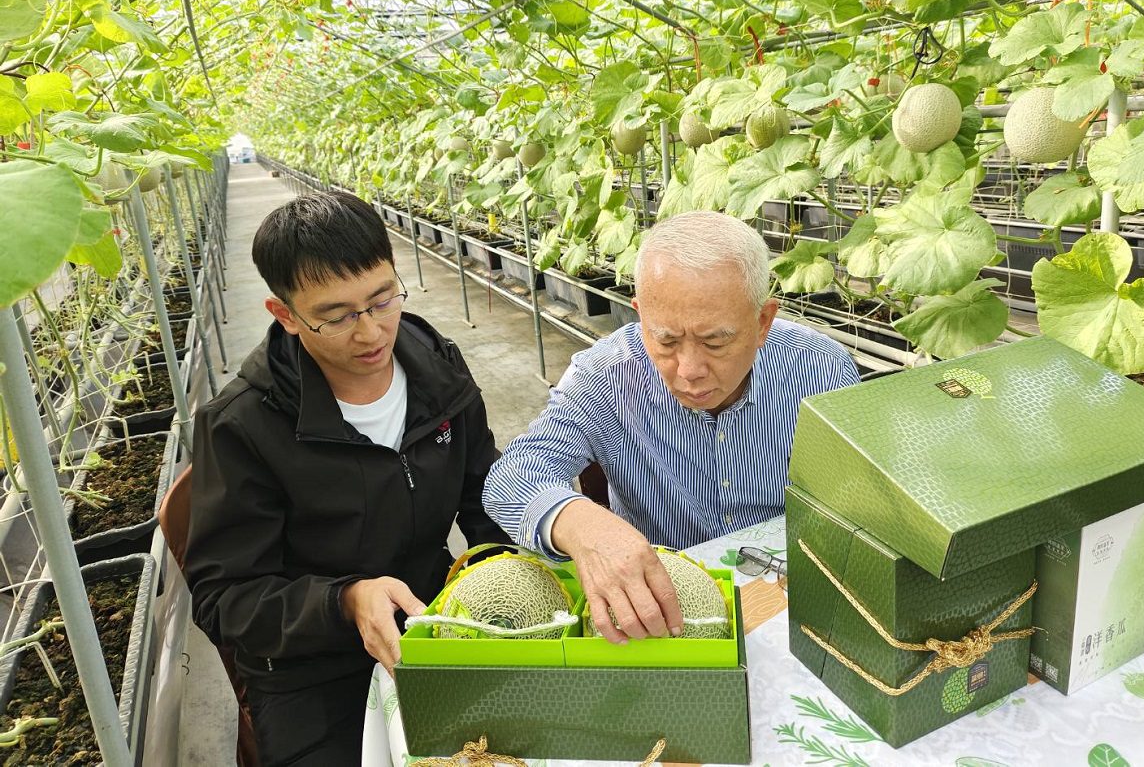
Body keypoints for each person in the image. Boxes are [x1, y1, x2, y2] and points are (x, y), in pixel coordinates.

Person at [186, 190, 507, 766]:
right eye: (336, 317)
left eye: (383, 299)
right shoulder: (241, 427)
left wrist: (502, 576)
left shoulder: (438, 370)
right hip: (311, 670)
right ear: (284, 315)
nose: (371, 333)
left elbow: (486, 497)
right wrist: (346, 601)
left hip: (428, 622)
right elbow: (224, 598)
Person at [483, 210, 859, 645]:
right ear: (640, 316)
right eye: (665, 341)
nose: (689, 369)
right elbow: (512, 475)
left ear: (762, 323)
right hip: (667, 614)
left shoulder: (821, 369)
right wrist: (582, 525)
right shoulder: (606, 376)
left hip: (794, 597)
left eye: (715, 342)